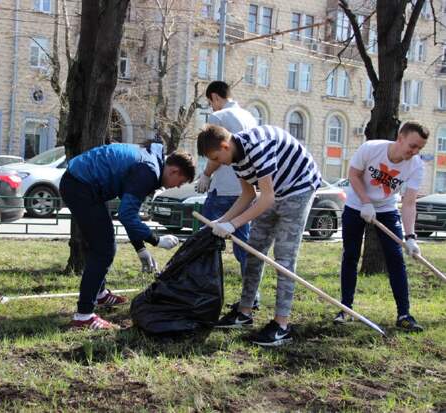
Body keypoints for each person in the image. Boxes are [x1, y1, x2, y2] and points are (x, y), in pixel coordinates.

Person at [197, 124, 321, 346]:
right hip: (274, 192)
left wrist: (233, 225)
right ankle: (244, 312)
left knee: (284, 257)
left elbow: (267, 198)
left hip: (299, 189)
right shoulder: (236, 157)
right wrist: (222, 221)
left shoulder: (256, 147)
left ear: (225, 146)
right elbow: (247, 196)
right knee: (253, 251)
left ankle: (281, 325)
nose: (218, 164)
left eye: (216, 157)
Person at [59, 141, 196, 330]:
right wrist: (155, 240)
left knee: (103, 244)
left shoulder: (150, 162)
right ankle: (84, 316)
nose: (177, 187)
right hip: (81, 186)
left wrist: (140, 249)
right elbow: (127, 215)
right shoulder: (148, 172)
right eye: (180, 182)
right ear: (174, 171)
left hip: (84, 183)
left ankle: (99, 294)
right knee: (104, 249)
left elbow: (128, 210)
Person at [334, 121, 429, 332]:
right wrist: (366, 202)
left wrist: (410, 237)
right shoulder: (371, 149)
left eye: (419, 148)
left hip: (386, 208)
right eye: (412, 146)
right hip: (356, 205)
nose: (414, 152)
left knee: (396, 257)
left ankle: (404, 314)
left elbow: (409, 202)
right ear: (400, 138)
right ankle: (346, 309)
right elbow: (354, 174)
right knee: (350, 254)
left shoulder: (416, 165)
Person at [195, 81, 259, 316]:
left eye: (210, 102)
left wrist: (206, 174)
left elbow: (214, 153)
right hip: (245, 188)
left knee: (203, 238)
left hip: (224, 189)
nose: (210, 107)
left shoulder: (218, 117)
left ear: (214, 97)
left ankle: (197, 290)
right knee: (243, 246)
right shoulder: (250, 117)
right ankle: (251, 297)